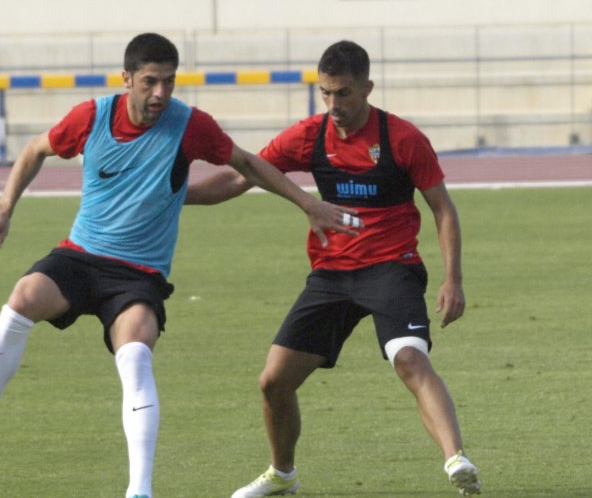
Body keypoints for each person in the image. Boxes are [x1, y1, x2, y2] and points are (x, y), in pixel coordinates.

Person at [0, 33, 357, 498]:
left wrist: (307, 204)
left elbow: (247, 165)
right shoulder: (91, 117)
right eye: (150, 82)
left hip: (139, 274)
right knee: (22, 299)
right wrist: (4, 207)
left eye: (169, 82)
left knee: (135, 354)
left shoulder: (190, 125)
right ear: (127, 79)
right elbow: (35, 150)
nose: (160, 93)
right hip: (80, 256)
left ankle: (140, 491)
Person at [186, 40, 481, 496]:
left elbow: (443, 208)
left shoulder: (402, 139)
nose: (334, 104)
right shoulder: (309, 135)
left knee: (409, 359)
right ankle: (283, 475)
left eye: (343, 93)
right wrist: (179, 196)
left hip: (391, 268)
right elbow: (244, 175)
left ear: (367, 87)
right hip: (331, 275)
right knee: (272, 382)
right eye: (326, 93)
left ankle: (456, 459)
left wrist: (453, 278)